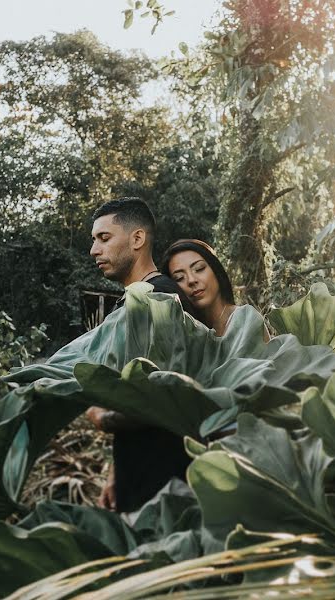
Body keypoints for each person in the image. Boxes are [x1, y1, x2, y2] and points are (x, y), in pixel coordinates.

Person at [85, 197, 198, 513]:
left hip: (166, 488)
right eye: (94, 240)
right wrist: (115, 473)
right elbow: (134, 385)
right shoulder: (132, 303)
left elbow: (162, 394)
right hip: (138, 480)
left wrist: (102, 418)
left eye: (104, 238)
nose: (94, 250)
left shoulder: (161, 297)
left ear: (137, 239)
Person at [161, 239, 238, 337]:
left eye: (199, 268)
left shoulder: (246, 320)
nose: (191, 280)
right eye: (179, 278)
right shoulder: (181, 336)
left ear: (215, 269)